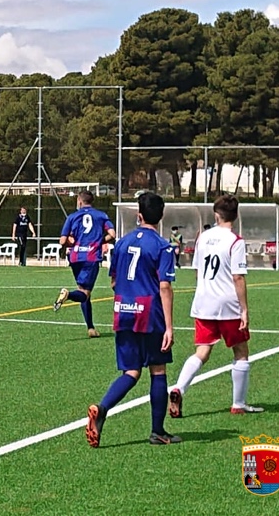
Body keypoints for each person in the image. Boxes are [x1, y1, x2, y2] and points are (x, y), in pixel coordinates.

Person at [86, 192, 180, 448]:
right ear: (161, 217)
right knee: (157, 370)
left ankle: (102, 408)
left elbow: (114, 281)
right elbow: (164, 287)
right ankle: (158, 431)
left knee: (131, 371)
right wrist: (169, 326)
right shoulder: (162, 246)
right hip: (150, 314)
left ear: (138, 215)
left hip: (123, 310)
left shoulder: (123, 243)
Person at [169, 195, 263, 418]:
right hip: (227, 304)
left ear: (216, 215)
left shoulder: (202, 238)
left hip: (204, 302)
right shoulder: (235, 241)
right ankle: (238, 404)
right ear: (236, 215)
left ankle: (178, 388)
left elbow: (197, 271)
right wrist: (244, 309)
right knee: (240, 351)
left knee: (202, 351)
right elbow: (238, 277)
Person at [53, 190, 116, 338]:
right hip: (91, 256)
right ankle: (67, 295)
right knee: (84, 293)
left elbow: (62, 241)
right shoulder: (101, 215)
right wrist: (100, 241)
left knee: (82, 290)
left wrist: (71, 241)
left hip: (75, 257)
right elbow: (112, 234)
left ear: (79, 202)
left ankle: (91, 328)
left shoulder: (72, 217)